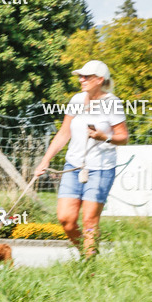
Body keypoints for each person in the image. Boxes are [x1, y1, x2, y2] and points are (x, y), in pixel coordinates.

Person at [34, 60, 128, 257]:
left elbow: (123, 137)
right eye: (80, 76)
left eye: (86, 76)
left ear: (100, 80)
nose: (81, 79)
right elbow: (63, 133)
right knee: (66, 219)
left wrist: (104, 137)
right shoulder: (76, 100)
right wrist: (46, 160)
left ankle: (89, 266)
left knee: (89, 221)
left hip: (101, 169)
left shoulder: (113, 103)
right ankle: (87, 253)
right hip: (73, 166)